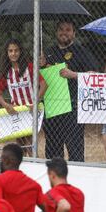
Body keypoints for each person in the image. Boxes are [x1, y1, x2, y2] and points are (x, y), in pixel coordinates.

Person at [41, 20, 99, 162]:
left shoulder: (82, 51)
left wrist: (73, 74)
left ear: (74, 33)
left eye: (68, 30)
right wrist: (40, 65)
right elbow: (38, 78)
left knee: (75, 149)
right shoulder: (48, 52)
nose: (64, 32)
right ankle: (55, 180)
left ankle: (76, 178)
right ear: (56, 32)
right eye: (61, 29)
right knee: (53, 150)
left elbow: (94, 75)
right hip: (52, 107)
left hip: (73, 108)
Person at [0, 38, 47, 156]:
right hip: (16, 113)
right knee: (20, 148)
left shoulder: (29, 67)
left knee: (30, 146)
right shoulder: (6, 72)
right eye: (10, 51)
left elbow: (44, 85)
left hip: (30, 111)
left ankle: (36, 167)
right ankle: (23, 171)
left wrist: (35, 102)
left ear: (20, 52)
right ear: (7, 53)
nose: (13, 53)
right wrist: (6, 105)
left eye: (16, 50)